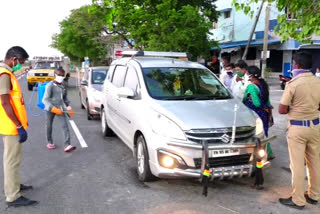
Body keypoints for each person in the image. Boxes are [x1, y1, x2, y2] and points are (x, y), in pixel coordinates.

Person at [278, 52, 320, 210]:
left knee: (297, 165)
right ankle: (314, 195)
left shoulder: (293, 84)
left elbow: (282, 109)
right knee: (314, 162)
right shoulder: (318, 82)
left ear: (297, 65)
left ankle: (298, 200)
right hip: (315, 126)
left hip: (297, 128)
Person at [0, 46, 38, 207]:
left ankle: (14, 185)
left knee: (13, 159)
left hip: (12, 125)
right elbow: (4, 102)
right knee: (11, 161)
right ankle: (13, 196)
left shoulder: (8, 73)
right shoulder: (4, 75)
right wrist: (18, 126)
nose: (20, 65)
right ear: (14, 59)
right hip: (11, 126)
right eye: (20, 62)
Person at [242, 66, 275, 160]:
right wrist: (268, 110)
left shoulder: (251, 86)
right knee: (265, 133)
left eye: (247, 74)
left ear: (251, 76)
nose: (246, 76)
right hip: (265, 113)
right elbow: (267, 101)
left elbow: (256, 103)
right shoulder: (263, 84)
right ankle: (269, 153)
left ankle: (259, 155)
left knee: (255, 135)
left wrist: (245, 101)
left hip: (255, 113)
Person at [42, 67, 76, 152]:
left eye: (62, 75)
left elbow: (64, 97)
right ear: (55, 75)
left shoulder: (63, 85)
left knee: (65, 125)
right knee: (49, 125)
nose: (61, 77)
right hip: (50, 108)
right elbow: (45, 100)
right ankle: (49, 142)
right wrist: (52, 108)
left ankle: (67, 145)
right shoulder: (49, 86)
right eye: (59, 75)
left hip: (60, 108)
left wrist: (68, 107)